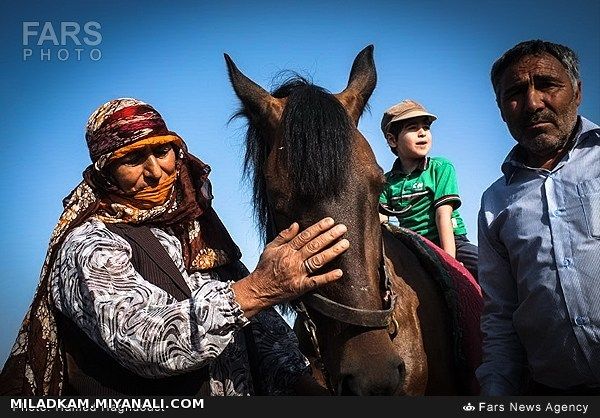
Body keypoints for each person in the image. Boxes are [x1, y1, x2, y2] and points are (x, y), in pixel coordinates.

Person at [0, 98, 350, 396]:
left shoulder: (199, 230)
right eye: (133, 159)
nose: (155, 171)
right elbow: (142, 342)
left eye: (162, 151)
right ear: (106, 171)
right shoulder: (90, 243)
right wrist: (258, 289)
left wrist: (305, 387)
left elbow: (265, 335)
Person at [476, 40, 600, 395]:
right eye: (514, 93)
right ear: (501, 109)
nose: (532, 103)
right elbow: (501, 315)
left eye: (547, 84)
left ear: (576, 92)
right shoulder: (494, 202)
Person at [378, 99, 478, 281]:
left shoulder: (440, 168)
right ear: (392, 140)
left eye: (426, 127)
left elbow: (443, 215)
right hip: (414, 246)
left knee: (490, 269)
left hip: (451, 241)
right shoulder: (387, 182)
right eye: (412, 127)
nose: (422, 133)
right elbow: (380, 220)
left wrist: (450, 264)